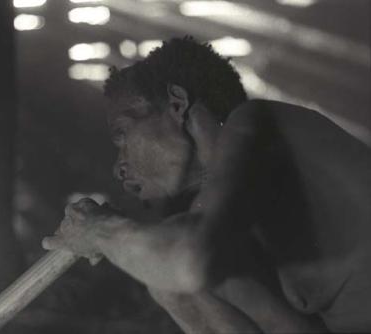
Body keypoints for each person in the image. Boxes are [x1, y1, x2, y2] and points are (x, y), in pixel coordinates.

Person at [42, 37, 371, 333]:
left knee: (177, 263)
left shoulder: (256, 123)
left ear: (177, 104)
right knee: (169, 271)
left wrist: (99, 228)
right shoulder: (236, 209)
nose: (119, 167)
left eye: (122, 134)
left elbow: (190, 262)